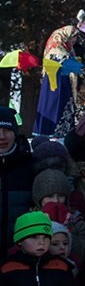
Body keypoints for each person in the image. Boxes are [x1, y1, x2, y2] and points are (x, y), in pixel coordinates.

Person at [0, 107, 35, 250]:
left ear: (15, 133)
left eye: (7, 130)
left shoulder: (32, 166)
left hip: (21, 252)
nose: (1, 136)